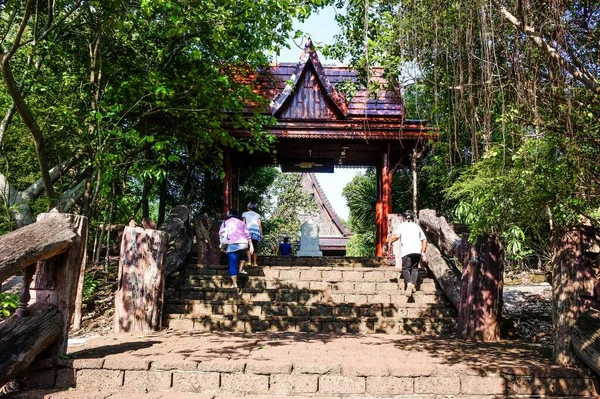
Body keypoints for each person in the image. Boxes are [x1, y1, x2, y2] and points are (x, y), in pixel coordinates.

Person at [388, 210, 428, 298]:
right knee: (415, 268)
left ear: (404, 218)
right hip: (417, 251)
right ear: (413, 218)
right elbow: (424, 240)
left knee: (405, 268)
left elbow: (397, 236)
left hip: (407, 251)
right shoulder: (417, 227)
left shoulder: (402, 225)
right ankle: (413, 285)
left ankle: (409, 283)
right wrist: (423, 252)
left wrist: (390, 240)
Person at [219, 210, 253, 290]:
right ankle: (241, 269)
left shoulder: (224, 223)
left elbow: (221, 234)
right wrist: (251, 244)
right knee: (244, 256)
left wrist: (222, 247)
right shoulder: (242, 223)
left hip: (231, 245)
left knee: (233, 264)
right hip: (243, 244)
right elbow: (247, 234)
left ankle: (235, 284)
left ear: (228, 215)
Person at [242, 202, 262, 267]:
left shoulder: (245, 214)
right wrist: (261, 234)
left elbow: (243, 223)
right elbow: (259, 225)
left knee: (248, 247)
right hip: (256, 232)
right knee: (255, 246)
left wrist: (242, 232)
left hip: (248, 231)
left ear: (248, 207)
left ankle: (249, 261)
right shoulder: (258, 215)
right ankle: (255, 263)